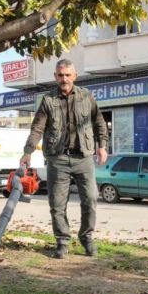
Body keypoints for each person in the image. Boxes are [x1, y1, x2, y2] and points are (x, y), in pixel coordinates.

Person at [21, 58, 109, 259]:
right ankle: (62, 241)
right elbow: (37, 128)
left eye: (68, 75)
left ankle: (87, 237)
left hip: (83, 158)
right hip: (58, 159)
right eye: (60, 75)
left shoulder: (86, 96)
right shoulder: (48, 100)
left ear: (75, 76)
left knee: (91, 199)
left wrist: (102, 146)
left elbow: (99, 123)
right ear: (55, 76)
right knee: (57, 204)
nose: (64, 79)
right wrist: (28, 151)